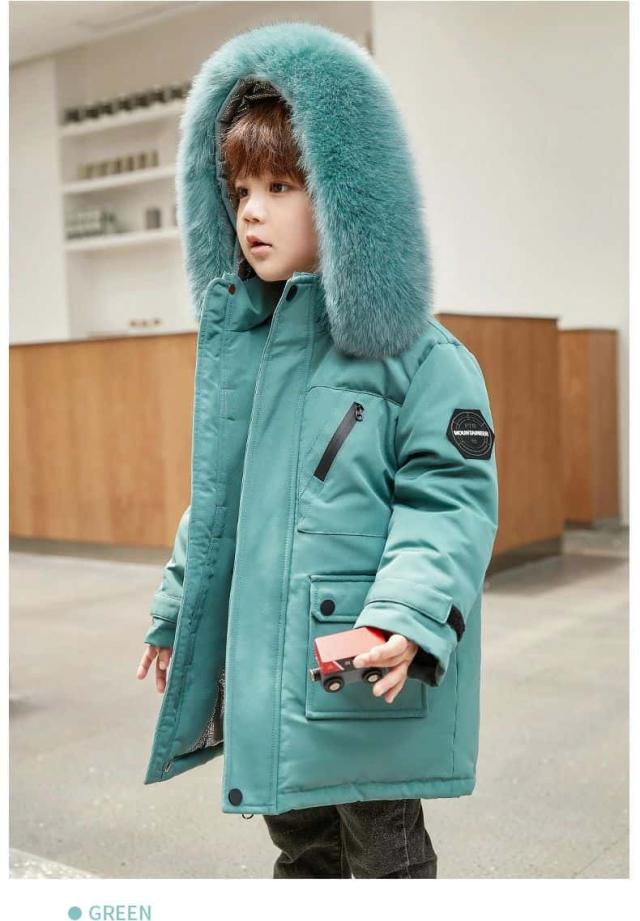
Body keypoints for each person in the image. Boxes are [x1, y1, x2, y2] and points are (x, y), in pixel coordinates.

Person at [136, 22, 498, 879]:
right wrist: (178, 606)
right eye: (239, 191)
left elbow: (449, 500)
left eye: (280, 186)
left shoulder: (422, 359)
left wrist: (408, 615)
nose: (251, 212)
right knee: (301, 848)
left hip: (358, 662)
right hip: (271, 664)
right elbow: (219, 497)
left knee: (384, 854)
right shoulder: (253, 354)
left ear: (345, 199)